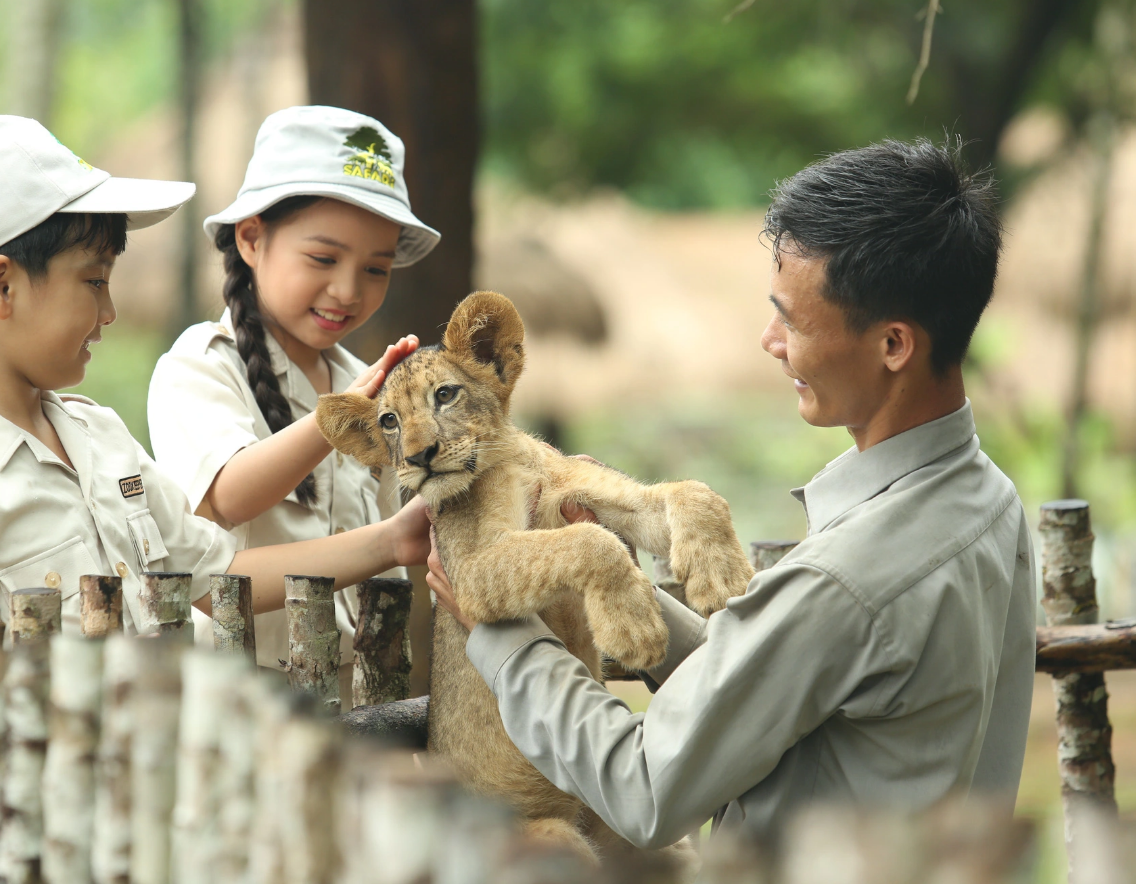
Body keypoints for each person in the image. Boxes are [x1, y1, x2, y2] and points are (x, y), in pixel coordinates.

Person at [427, 138, 1036, 845]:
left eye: (793, 319)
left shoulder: (845, 583)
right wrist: (615, 579)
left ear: (893, 345)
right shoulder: (989, 501)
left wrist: (506, 639)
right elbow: (773, 682)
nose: (769, 340)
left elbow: (646, 786)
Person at [0, 115, 432, 658]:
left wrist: (391, 542)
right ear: (1, 287)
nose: (110, 311)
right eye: (93, 281)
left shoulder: (100, 439)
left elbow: (219, 577)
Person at [145, 106, 440, 678]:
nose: (348, 289)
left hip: (354, 711)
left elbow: (383, 565)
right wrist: (340, 417)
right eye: (323, 258)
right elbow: (227, 496)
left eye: (376, 269)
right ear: (252, 239)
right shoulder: (201, 369)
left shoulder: (366, 381)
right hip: (237, 711)